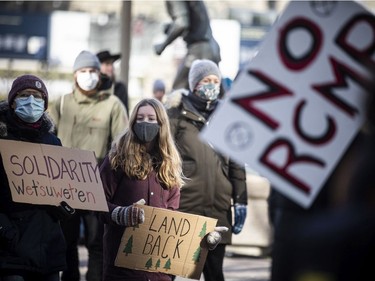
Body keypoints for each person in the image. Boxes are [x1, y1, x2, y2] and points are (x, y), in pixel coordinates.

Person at [164, 59, 247, 281]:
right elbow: (164, 158)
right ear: (194, 85)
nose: (212, 85)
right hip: (185, 207)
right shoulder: (175, 116)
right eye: (206, 80)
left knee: (214, 273)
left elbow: (236, 163)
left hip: (217, 208)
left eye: (215, 81)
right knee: (169, 271)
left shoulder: (226, 116)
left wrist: (241, 200)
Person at [49, 50, 129, 281]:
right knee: (66, 242)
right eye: (83, 71)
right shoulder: (62, 103)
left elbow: (122, 146)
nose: (88, 75)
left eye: (93, 71)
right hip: (64, 186)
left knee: (97, 245)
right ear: (75, 75)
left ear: (100, 74)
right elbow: (43, 135)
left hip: (97, 186)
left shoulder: (113, 104)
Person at [99, 98, 184, 281]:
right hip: (123, 270)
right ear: (132, 122)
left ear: (161, 123)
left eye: (151, 119)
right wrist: (122, 214)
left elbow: (173, 215)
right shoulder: (117, 157)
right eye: (140, 118)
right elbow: (97, 203)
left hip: (159, 271)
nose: (145, 123)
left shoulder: (170, 164)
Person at [0, 74, 73, 281]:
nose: (31, 101)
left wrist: (67, 205)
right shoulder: (2, 139)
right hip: (11, 248)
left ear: (44, 103)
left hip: (48, 248)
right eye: (24, 95)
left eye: (37, 96)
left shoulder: (53, 143)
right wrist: (4, 229)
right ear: (13, 102)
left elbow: (61, 190)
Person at [154, 0, 221, 91]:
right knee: (219, 94)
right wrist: (171, 28)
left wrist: (162, 45)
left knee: (178, 92)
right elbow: (192, 20)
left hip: (199, 51)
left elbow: (182, 24)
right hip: (211, 48)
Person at [97, 50, 129, 114]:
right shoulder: (92, 89)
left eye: (112, 64)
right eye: (107, 64)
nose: (110, 68)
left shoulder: (119, 88)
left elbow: (124, 113)